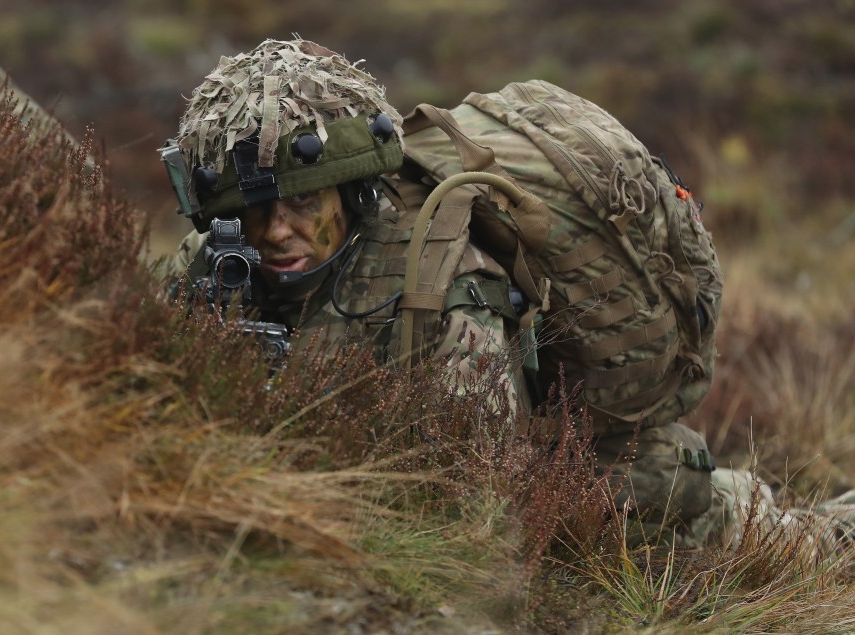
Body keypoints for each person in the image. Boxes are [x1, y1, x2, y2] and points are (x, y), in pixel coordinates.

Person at [161, 38, 855, 561]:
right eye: (252, 212)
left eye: (302, 202)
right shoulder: (215, 269)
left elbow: (483, 510)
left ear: (348, 189)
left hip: (617, 510)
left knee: (805, 546)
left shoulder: (441, 283)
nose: (276, 231)